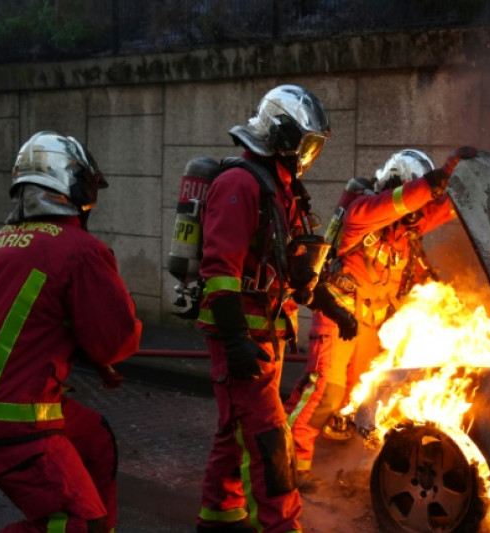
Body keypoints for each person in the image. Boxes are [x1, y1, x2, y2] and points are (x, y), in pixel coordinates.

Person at [0, 131, 143, 533]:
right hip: (9, 413)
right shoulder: (80, 250)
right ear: (73, 187)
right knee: (76, 522)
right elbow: (114, 342)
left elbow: (26, 323)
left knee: (95, 440)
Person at [284, 146, 477, 491]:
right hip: (338, 315)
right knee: (326, 389)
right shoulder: (363, 212)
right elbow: (400, 203)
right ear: (395, 186)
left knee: (363, 392)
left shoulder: (405, 228)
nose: (417, 213)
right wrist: (435, 179)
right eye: (411, 198)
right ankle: (287, 463)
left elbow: (441, 208)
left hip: (370, 323)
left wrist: (472, 178)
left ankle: (332, 439)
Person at [195, 84, 333, 533]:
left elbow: (292, 265)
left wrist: (334, 306)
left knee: (234, 434)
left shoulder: (280, 187)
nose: (309, 154)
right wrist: (235, 340)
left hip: (264, 336)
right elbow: (219, 270)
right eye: (306, 142)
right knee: (271, 441)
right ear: (281, 134)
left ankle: (219, 517)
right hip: (244, 338)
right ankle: (280, 526)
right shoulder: (240, 183)